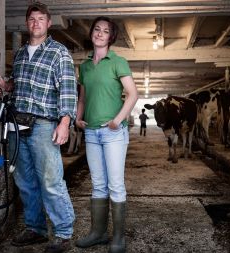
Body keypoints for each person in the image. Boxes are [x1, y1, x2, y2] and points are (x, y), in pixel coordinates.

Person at [0, 2, 77, 253]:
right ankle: (36, 228)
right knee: (25, 180)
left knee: (51, 181)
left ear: (49, 23)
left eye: (41, 19)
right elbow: (20, 84)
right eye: (32, 19)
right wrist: (7, 86)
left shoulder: (59, 52)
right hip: (18, 124)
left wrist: (65, 122)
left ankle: (63, 233)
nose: (36, 23)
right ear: (27, 23)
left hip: (43, 125)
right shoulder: (19, 54)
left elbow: (68, 90)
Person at [75, 16, 138, 253]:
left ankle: (118, 238)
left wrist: (118, 120)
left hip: (113, 133)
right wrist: (78, 118)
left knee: (116, 185)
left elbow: (132, 94)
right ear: (92, 33)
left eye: (105, 31)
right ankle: (98, 233)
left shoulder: (118, 62)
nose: (100, 33)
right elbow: (83, 97)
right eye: (97, 29)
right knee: (98, 185)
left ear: (111, 37)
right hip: (91, 133)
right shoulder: (85, 66)